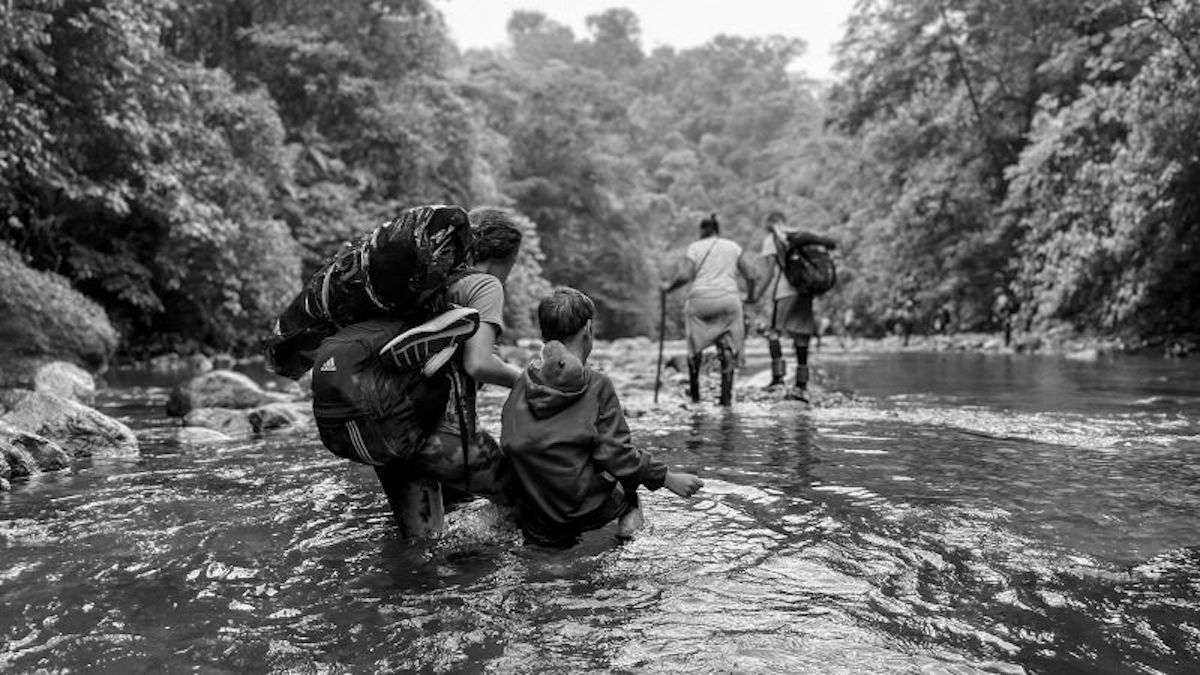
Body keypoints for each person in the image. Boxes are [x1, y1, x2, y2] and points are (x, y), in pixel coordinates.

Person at [501, 287, 705, 547]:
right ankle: (624, 541)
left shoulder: (523, 381)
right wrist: (667, 478)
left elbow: (509, 440)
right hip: (582, 510)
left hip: (535, 511)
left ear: (543, 335)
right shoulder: (598, 386)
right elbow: (617, 454)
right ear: (588, 329)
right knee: (630, 491)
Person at [369, 207, 526, 517]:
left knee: (420, 548)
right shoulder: (485, 285)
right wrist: (529, 379)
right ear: (503, 258)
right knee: (527, 503)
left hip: (390, 434)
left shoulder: (423, 282)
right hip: (442, 437)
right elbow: (479, 364)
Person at [661, 214, 757, 406]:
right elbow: (752, 275)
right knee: (727, 345)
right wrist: (751, 296)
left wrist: (667, 289)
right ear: (717, 230)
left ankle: (695, 397)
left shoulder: (695, 247)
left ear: (702, 230)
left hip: (700, 300)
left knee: (694, 347)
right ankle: (726, 399)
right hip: (728, 300)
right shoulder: (733, 247)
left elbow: (684, 276)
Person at [757, 210, 837, 402]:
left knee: (774, 332)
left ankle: (778, 378)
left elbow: (768, 272)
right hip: (804, 291)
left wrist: (756, 295)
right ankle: (802, 383)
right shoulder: (801, 236)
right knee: (802, 336)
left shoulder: (773, 239)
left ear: (770, 223)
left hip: (785, 292)